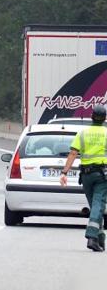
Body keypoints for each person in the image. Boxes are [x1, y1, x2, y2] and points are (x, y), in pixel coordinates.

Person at [60, 104, 107, 252]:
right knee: (98, 205)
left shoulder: (83, 133)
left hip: (86, 175)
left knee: (95, 206)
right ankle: (92, 237)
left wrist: (64, 173)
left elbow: (73, 153)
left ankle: (100, 239)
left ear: (91, 117)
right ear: (105, 118)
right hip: (102, 174)